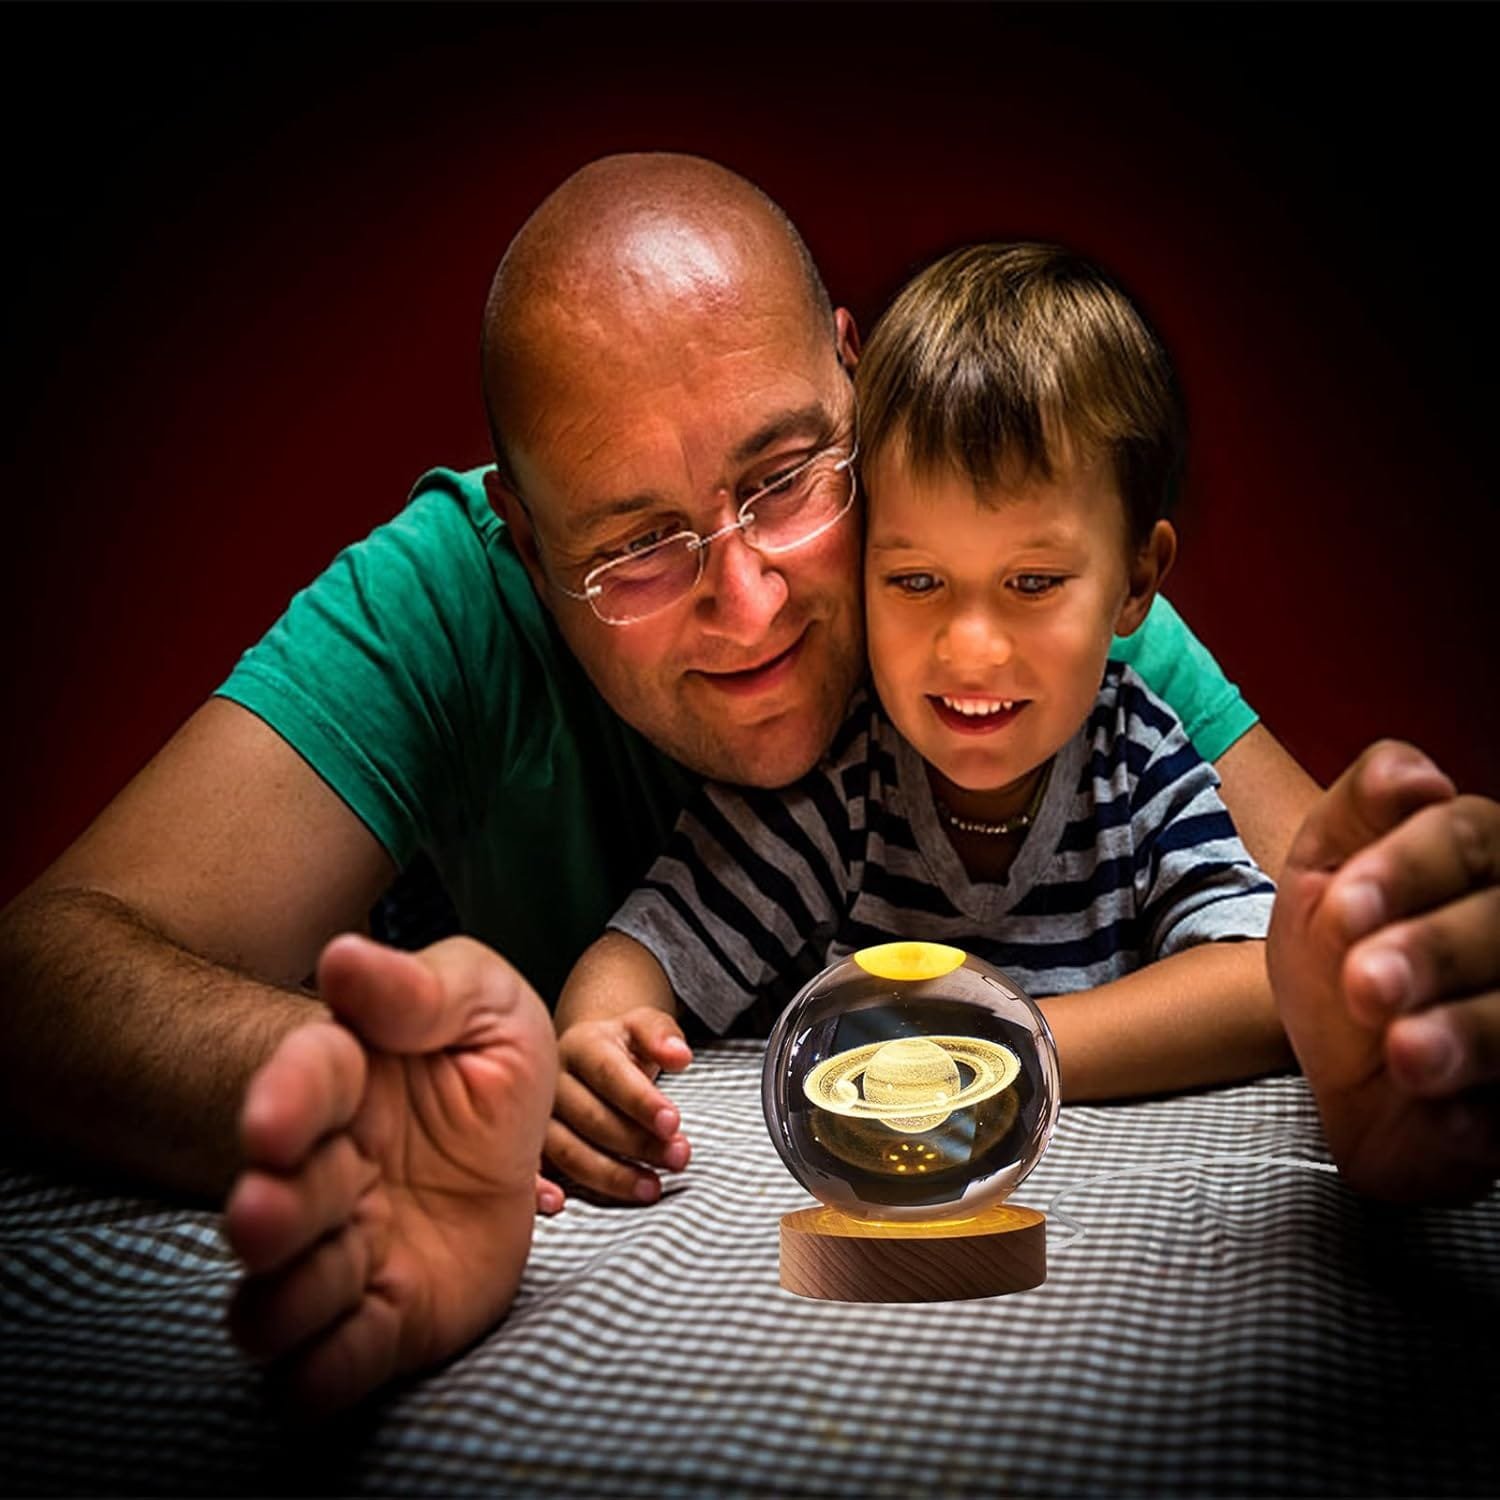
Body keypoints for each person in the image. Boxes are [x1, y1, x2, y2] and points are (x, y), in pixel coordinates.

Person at [0, 155, 1494, 1417]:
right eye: (634, 545)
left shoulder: (984, 561)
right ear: (523, 545)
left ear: (859, 385)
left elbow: (1352, 927)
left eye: (788, 476)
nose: (752, 600)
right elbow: (45, 973)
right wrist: (404, 1104)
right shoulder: (442, 601)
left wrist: (1387, 1043)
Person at [553, 241, 1294, 1118]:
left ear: (1136, 581)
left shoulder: (1139, 767)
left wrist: (1005, 1049)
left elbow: (1262, 982)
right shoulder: (843, 785)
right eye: (916, 583)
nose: (971, 648)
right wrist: (600, 1039)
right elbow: (648, 952)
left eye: (1032, 584)